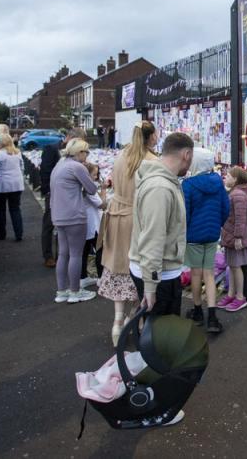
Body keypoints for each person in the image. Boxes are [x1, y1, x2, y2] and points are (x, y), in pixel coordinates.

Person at [98, 121, 158, 345]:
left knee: (117, 268)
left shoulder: (121, 156)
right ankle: (137, 320)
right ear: (150, 137)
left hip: (116, 217)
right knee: (138, 270)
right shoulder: (152, 161)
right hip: (137, 219)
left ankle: (117, 322)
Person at [129, 132, 194, 316]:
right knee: (161, 333)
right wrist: (150, 286)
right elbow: (153, 238)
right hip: (159, 276)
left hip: (160, 271)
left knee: (161, 331)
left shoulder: (166, 182)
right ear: (186, 155)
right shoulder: (161, 187)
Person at [182, 148, 229, 332]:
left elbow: (184, 212)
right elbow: (226, 208)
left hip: (193, 235)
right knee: (209, 274)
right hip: (211, 234)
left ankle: (197, 311)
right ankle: (213, 317)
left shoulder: (188, 184)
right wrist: (217, 224)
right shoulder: (218, 182)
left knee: (196, 273)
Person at [50, 138, 99, 304]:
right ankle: (75, 292)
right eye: (86, 152)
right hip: (74, 216)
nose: (87, 155)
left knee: (63, 254)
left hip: (58, 215)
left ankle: (61, 291)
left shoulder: (59, 165)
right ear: (80, 152)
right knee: (76, 254)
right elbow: (92, 189)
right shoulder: (77, 166)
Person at [40, 128, 85, 268]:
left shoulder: (75, 155)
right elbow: (45, 171)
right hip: (53, 194)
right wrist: (48, 192)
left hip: (70, 196)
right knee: (49, 224)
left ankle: (62, 256)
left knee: (65, 227)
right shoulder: (51, 149)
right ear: (70, 138)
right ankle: (48, 256)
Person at [219, 166, 247, 313]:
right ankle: (231, 294)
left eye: (227, 176)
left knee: (236, 266)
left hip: (236, 237)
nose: (225, 178)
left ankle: (240, 297)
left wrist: (238, 237)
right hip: (231, 236)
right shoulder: (236, 193)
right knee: (232, 266)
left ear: (235, 179)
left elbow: (240, 218)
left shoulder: (238, 195)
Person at [0, 133, 25, 241]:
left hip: (1, 186)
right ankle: (19, 234)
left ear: (0, 142)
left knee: (0, 211)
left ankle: (1, 235)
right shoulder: (17, 153)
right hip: (16, 185)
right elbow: (22, 168)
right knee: (15, 209)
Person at [80, 161, 105, 289]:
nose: (96, 177)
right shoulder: (90, 190)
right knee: (100, 249)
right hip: (93, 224)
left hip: (84, 223)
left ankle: (82, 277)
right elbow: (102, 204)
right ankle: (101, 277)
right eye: (94, 175)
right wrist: (104, 189)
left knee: (84, 251)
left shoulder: (82, 187)